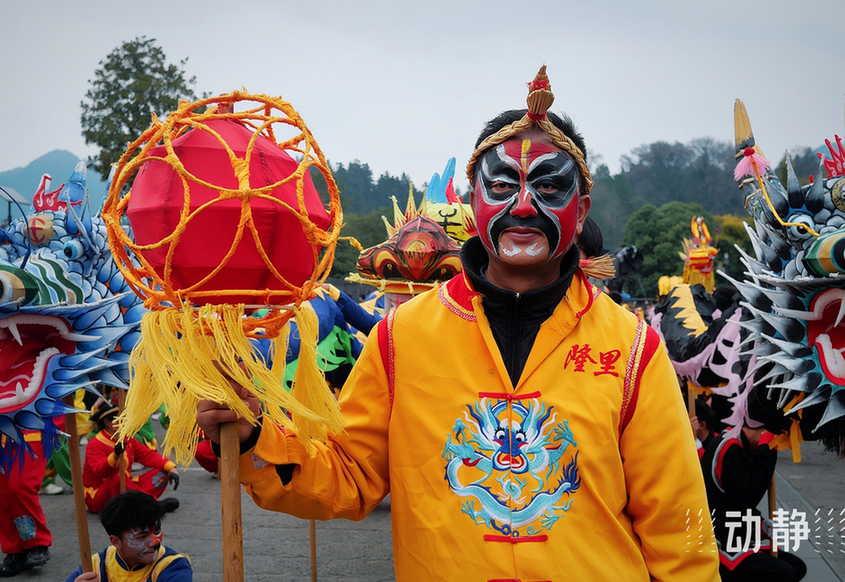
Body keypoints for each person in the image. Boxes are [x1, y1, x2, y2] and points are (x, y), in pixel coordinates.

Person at [196, 67, 719, 580]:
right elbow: (347, 477)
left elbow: (682, 529)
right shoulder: (403, 337)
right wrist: (254, 436)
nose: (522, 206)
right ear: (472, 201)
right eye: (501, 185)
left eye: (548, 188)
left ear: (580, 212)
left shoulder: (632, 349)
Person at [700, 424, 807, 581]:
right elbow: (749, 494)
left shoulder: (737, 442)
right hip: (718, 540)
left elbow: (736, 503)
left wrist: (761, 526)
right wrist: (767, 451)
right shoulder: (729, 446)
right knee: (783, 572)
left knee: (796, 567)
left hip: (733, 533)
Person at [66, 490, 192, 582]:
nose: (155, 542)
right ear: (116, 541)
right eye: (142, 537)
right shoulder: (96, 565)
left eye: (157, 531)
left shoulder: (173, 567)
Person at [83, 403, 180, 514]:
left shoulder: (127, 439)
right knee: (117, 480)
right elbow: (101, 471)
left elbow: (149, 455)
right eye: (120, 419)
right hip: (99, 495)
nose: (124, 422)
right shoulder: (95, 443)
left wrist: (172, 468)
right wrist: (115, 455)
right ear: (107, 423)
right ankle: (151, 504)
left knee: (162, 473)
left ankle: (141, 504)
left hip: (126, 486)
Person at [0, 433, 52, 577]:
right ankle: (15, 550)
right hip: (3, 431)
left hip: (30, 429)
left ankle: (37, 543)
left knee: (20, 486)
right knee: (3, 493)